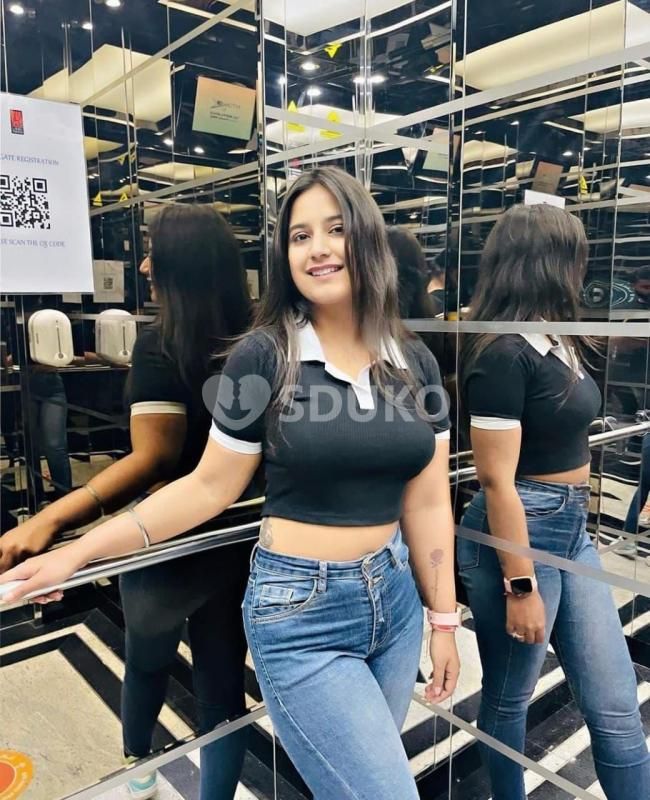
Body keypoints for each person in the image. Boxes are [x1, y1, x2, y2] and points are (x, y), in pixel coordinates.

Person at [1, 166, 460, 800]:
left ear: (367, 240)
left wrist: (443, 619)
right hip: (301, 614)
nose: (318, 248)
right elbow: (206, 487)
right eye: (300, 236)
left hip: (396, 598)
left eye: (335, 229)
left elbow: (429, 501)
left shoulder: (414, 361)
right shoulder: (265, 356)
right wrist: (76, 551)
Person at [0, 204, 255, 800]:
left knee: (146, 662)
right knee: (222, 690)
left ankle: (138, 769)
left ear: (182, 266)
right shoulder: (259, 342)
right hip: (236, 540)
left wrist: (52, 517)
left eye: (152, 254)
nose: (142, 266)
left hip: (162, 539)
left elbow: (153, 458)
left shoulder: (161, 344)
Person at [458, 203, 650, 800]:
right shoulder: (503, 352)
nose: (582, 270)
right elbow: (496, 482)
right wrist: (520, 586)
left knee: (615, 703)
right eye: (575, 257)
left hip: (570, 531)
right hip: (521, 534)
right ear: (548, 263)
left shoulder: (554, 339)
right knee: (509, 698)